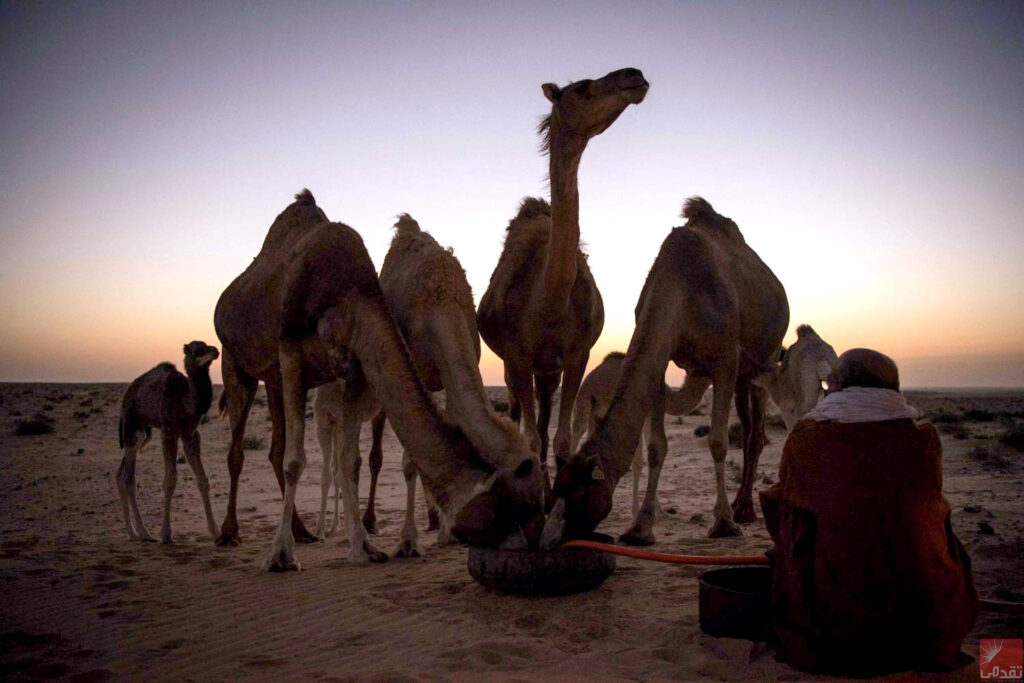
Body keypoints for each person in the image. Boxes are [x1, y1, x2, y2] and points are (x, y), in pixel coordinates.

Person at [759, 348, 978, 675]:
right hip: (924, 616)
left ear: (837, 386)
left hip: (835, 618)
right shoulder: (924, 439)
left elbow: (787, 506)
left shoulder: (808, 437)